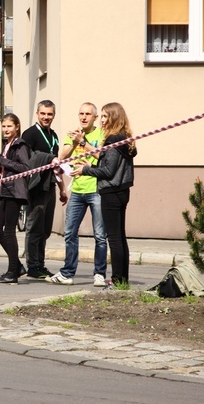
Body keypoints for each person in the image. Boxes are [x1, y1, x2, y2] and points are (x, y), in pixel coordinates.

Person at [0, 114, 59, 284]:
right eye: (4, 126)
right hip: (6, 190)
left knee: (9, 231)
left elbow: (25, 168)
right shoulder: (7, 145)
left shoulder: (20, 145)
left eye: (9, 126)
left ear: (17, 127)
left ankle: (12, 272)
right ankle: (17, 266)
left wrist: (2, 159)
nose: (6, 130)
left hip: (15, 192)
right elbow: (8, 168)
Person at [72, 102, 137, 289]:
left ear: (114, 118)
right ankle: (122, 280)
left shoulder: (113, 140)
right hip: (122, 191)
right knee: (120, 237)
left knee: (114, 238)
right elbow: (109, 162)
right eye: (100, 116)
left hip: (112, 192)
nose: (101, 120)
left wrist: (86, 170)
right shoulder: (125, 139)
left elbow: (108, 171)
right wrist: (87, 150)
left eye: (105, 116)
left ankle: (117, 280)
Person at [47, 103, 107, 287]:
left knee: (100, 235)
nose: (83, 117)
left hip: (95, 189)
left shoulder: (101, 134)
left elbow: (101, 157)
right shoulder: (73, 134)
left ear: (95, 117)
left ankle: (99, 274)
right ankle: (68, 273)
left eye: (88, 114)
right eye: (81, 113)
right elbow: (62, 157)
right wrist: (74, 142)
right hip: (77, 190)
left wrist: (83, 142)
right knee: (70, 233)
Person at [21, 100, 68, 279]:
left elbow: (57, 163)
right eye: (43, 114)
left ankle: (40, 264)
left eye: (49, 114)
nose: (46, 117)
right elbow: (26, 159)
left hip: (50, 185)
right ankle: (32, 266)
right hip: (36, 187)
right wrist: (47, 158)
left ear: (53, 115)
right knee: (34, 228)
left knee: (46, 229)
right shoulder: (30, 134)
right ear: (37, 114)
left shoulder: (53, 135)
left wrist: (62, 188)